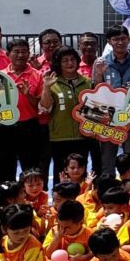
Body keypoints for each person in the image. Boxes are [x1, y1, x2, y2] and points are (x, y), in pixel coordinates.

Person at [92, 24, 130, 176]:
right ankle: (108, 190)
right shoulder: (101, 63)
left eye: (123, 38)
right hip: (108, 118)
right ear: (109, 41)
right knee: (107, 158)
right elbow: (96, 91)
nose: (120, 42)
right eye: (116, 39)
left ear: (128, 39)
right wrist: (99, 75)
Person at [40, 48, 94, 185]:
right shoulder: (52, 83)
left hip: (83, 135)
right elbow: (45, 108)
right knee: (61, 173)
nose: (70, 63)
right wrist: (46, 88)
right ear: (58, 63)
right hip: (59, 137)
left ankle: (82, 201)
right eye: (65, 60)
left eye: (72, 59)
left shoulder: (88, 82)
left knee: (80, 172)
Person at [0, 38, 48, 182]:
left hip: (29, 127)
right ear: (8, 54)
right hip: (5, 127)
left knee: (30, 169)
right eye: (16, 52)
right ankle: (7, 202)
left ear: (29, 54)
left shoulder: (38, 75)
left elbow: (40, 105)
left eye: (24, 51)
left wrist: (27, 94)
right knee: (6, 168)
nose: (20, 55)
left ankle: (30, 202)